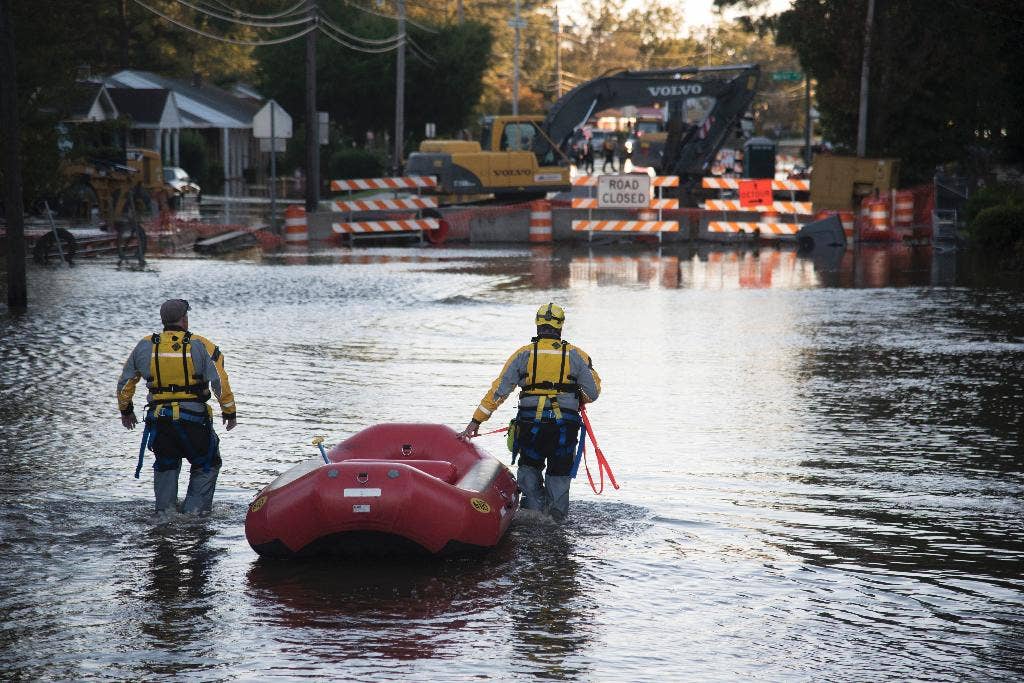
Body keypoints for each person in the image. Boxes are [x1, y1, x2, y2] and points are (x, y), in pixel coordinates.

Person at [457, 303, 600, 522]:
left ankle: (532, 519)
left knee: (530, 469)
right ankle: (555, 523)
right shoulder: (576, 355)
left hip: (532, 427)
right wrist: (572, 398)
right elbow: (593, 391)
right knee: (559, 474)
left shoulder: (523, 354)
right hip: (564, 430)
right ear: (561, 325)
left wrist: (476, 421)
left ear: (537, 324)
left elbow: (498, 391)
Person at [117, 299, 237, 515]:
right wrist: (229, 412)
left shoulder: (146, 345)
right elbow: (221, 381)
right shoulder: (202, 345)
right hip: (194, 421)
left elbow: (126, 382)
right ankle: (194, 515)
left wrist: (126, 410)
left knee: (166, 465)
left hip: (160, 422)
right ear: (184, 319)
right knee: (206, 464)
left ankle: (165, 516)